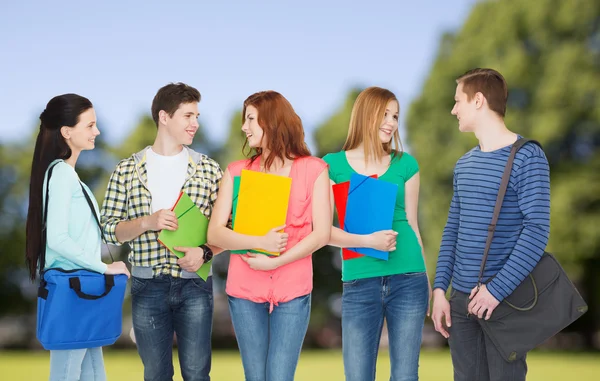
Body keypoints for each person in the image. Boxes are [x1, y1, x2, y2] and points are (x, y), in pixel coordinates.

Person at [431, 68, 551, 381]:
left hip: (505, 302)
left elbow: (536, 231)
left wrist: (495, 291)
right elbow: (452, 231)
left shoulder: (528, 157)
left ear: (479, 101)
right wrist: (441, 289)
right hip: (460, 302)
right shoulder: (464, 164)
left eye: (459, 101)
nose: (453, 109)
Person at [100, 83, 223, 381]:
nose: (195, 124)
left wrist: (205, 252)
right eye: (188, 116)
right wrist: (147, 222)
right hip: (147, 286)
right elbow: (109, 230)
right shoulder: (127, 170)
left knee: (197, 374)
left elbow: (229, 229)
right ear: (164, 117)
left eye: (197, 116)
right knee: (155, 375)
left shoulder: (208, 169)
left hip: (195, 285)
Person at [207, 90, 331, 381]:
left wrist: (276, 261)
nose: (244, 127)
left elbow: (322, 233)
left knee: (279, 377)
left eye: (250, 119)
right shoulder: (237, 172)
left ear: (272, 121)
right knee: (256, 377)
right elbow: (215, 231)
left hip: (293, 288)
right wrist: (258, 243)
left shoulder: (315, 170)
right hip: (245, 288)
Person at [322, 86, 430, 381]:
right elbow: (322, 232)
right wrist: (367, 241)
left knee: (406, 375)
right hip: (359, 281)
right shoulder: (332, 165)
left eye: (395, 115)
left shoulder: (406, 164)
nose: (391, 122)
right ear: (365, 114)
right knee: (357, 375)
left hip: (409, 277)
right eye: (384, 114)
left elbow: (412, 225)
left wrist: (428, 283)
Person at [25, 94, 130, 381]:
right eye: (90, 125)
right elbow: (57, 239)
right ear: (67, 132)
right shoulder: (61, 175)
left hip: (80, 291)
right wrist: (105, 267)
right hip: (74, 289)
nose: (96, 131)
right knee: (67, 374)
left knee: (95, 375)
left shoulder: (69, 176)